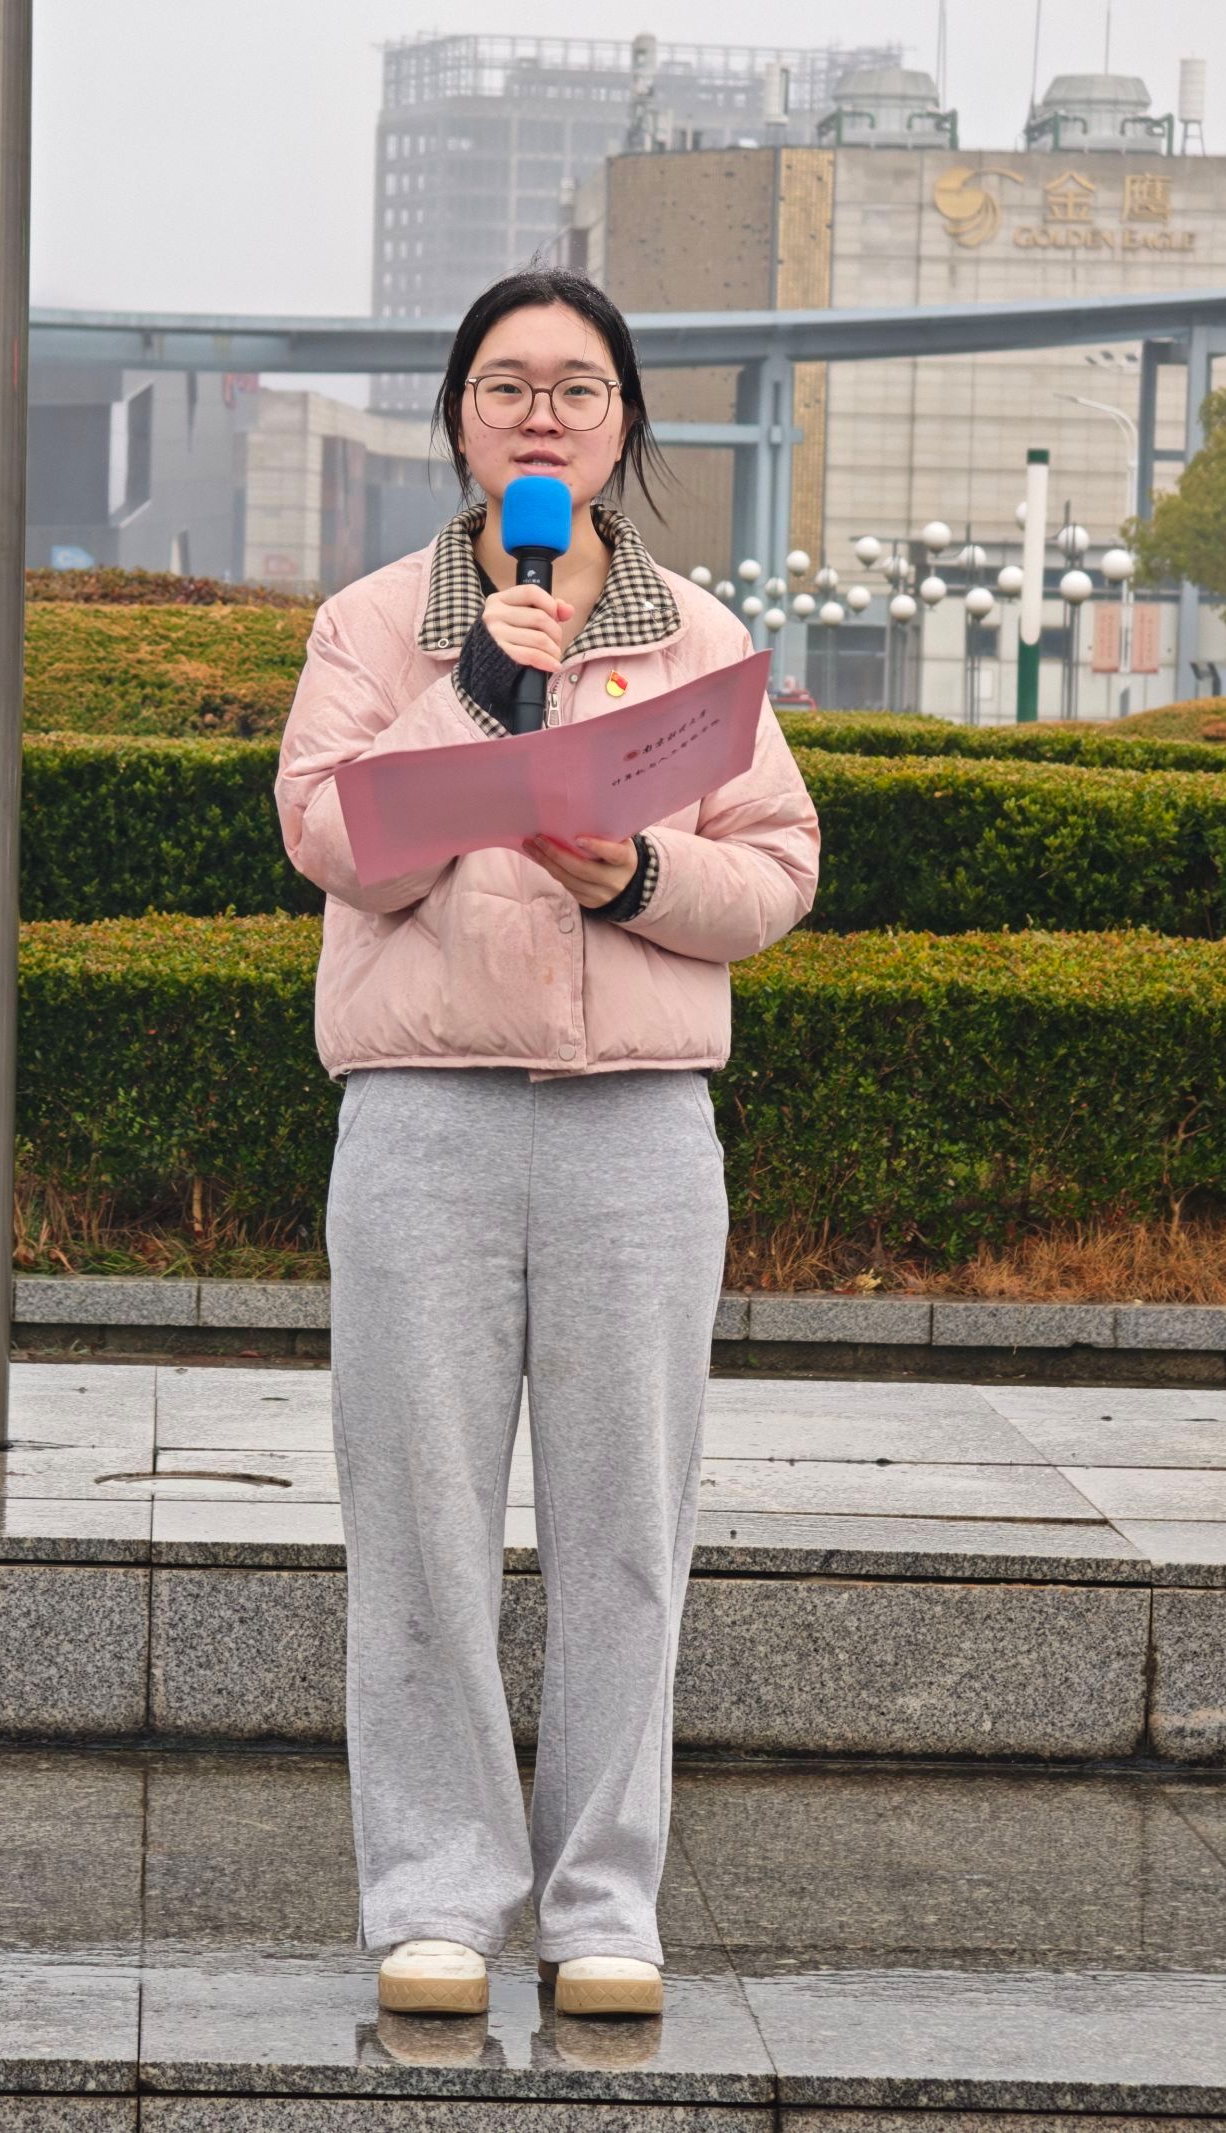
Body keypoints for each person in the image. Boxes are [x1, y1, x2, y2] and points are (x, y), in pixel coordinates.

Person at [274, 266, 820, 2021]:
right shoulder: (376, 625)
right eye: (505, 385)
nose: (540, 416)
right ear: (458, 419)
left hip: (636, 1133)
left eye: (576, 389)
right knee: (418, 1526)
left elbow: (779, 868)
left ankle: (603, 1905)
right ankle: (435, 1896)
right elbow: (331, 836)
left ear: (622, 424)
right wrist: (480, 696)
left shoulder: (699, 636)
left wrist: (638, 873)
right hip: (423, 1120)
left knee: (625, 1531)